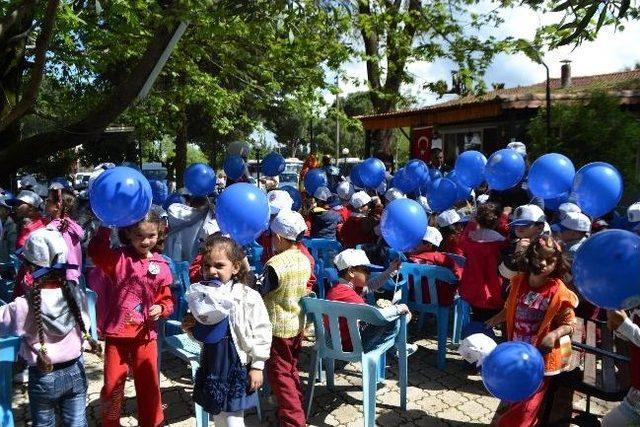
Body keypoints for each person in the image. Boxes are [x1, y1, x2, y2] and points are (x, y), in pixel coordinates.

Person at [0, 228, 101, 426]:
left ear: (29, 269)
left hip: (43, 374)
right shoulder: (76, 295)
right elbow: (86, 323)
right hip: (76, 370)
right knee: (77, 422)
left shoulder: (22, 305)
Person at [88, 210, 174, 427]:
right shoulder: (118, 258)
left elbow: (168, 301)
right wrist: (106, 224)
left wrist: (161, 308)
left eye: (151, 235)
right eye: (139, 236)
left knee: (148, 385)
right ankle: (110, 422)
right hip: (117, 336)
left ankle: (152, 422)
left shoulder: (162, 265)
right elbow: (96, 252)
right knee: (112, 385)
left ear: (159, 233)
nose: (146, 241)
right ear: (128, 234)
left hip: (145, 337)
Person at [181, 234, 272, 426]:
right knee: (218, 413)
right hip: (212, 361)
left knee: (233, 418)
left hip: (235, 363)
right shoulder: (201, 296)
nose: (212, 271)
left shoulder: (248, 296)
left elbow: (262, 330)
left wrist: (257, 365)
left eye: (219, 266)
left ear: (236, 267)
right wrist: (192, 328)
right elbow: (205, 333)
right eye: (207, 266)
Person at [487, 236, 578, 426]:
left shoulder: (558, 291)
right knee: (516, 396)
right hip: (516, 355)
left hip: (541, 360)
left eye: (550, 260)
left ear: (557, 264)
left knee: (528, 406)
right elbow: (511, 307)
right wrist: (497, 318)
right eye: (538, 257)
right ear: (530, 257)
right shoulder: (518, 281)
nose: (543, 263)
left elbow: (570, 323)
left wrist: (554, 334)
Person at [258, 210, 312, 427]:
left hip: (277, 328)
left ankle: (294, 421)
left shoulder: (275, 264)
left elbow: (261, 290)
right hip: (297, 323)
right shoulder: (304, 259)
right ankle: (295, 407)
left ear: (278, 238)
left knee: (280, 376)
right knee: (291, 369)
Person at [326, 249, 411, 352]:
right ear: (351, 272)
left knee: (397, 316)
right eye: (366, 270)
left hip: (338, 340)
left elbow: (370, 285)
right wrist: (397, 309)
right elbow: (375, 317)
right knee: (397, 318)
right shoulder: (348, 295)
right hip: (351, 345)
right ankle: (393, 349)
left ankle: (395, 346)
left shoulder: (340, 288)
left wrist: (390, 271)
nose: (369, 274)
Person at [459, 203, 508, 322]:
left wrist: (471, 223)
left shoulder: (469, 240)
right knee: (492, 320)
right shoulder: (501, 242)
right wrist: (504, 218)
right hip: (494, 289)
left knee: (478, 319)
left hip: (473, 287)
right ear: (496, 221)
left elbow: (462, 239)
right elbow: (506, 232)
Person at [406, 227, 463, 306]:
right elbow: (459, 275)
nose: (415, 243)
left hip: (412, 298)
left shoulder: (410, 260)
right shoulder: (444, 259)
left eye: (419, 241)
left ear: (429, 245)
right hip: (440, 301)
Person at [603, 308, 640, 426]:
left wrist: (624, 324)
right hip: (636, 390)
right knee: (610, 423)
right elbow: (634, 335)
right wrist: (617, 326)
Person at [164, 194, 219, 263]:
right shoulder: (209, 224)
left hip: (175, 259)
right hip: (194, 264)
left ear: (189, 204)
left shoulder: (176, 216)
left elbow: (172, 208)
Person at [44, 188, 84, 283]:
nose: (45, 202)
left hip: (61, 279)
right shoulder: (71, 225)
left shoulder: (54, 228)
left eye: (48, 200)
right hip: (74, 277)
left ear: (57, 206)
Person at [499, 204, 547, 281]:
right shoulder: (512, 244)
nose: (519, 227)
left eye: (525, 224)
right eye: (516, 224)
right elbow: (506, 274)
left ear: (539, 228)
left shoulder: (547, 248)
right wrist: (516, 255)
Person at [0, 194, 17, 264]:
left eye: (1, 207)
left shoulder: (11, 226)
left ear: (7, 211)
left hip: (4, 263)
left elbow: (12, 246)